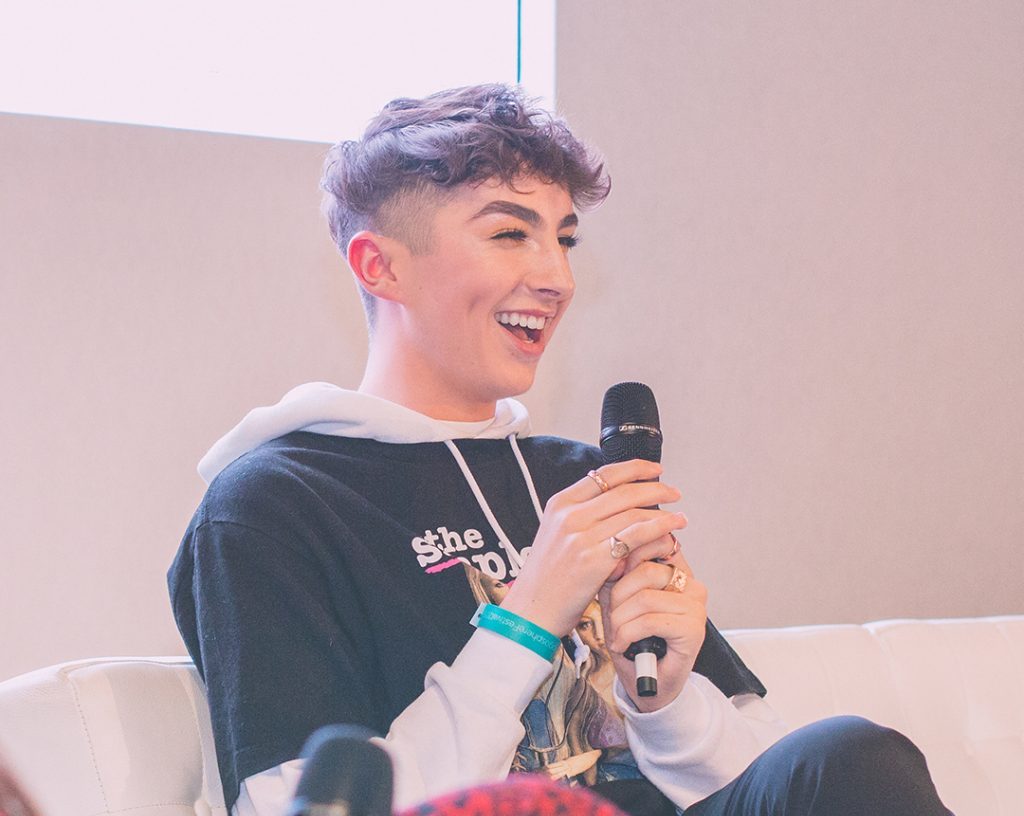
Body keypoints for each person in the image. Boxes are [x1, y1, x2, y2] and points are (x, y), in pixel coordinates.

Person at [168, 84, 952, 815]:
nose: (557, 278)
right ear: (381, 266)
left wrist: (662, 700)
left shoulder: (579, 479)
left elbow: (766, 784)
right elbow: (300, 803)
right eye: (510, 233)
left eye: (564, 239)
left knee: (851, 757)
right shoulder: (271, 507)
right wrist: (529, 617)